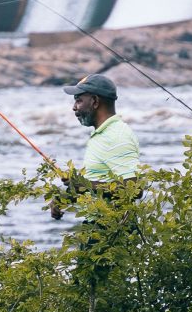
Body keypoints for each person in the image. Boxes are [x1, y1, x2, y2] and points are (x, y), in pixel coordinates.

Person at [51, 73, 141, 217]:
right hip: (99, 228)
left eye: (79, 101)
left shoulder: (116, 136)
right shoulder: (102, 134)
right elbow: (99, 183)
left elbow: (134, 189)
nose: (74, 108)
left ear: (95, 101)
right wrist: (66, 197)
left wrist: (85, 185)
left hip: (115, 231)